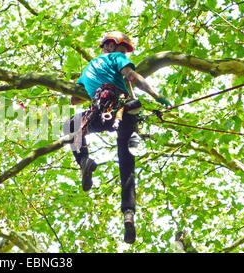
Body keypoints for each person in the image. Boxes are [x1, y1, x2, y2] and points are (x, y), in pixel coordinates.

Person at [63, 31, 171, 244]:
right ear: (111, 46)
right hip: (122, 112)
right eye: (122, 49)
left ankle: (84, 160)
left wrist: (84, 84)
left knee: (71, 125)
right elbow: (133, 77)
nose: (124, 54)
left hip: (101, 115)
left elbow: (74, 98)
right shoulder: (115, 58)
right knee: (127, 165)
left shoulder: (87, 70)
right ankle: (128, 215)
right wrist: (156, 96)